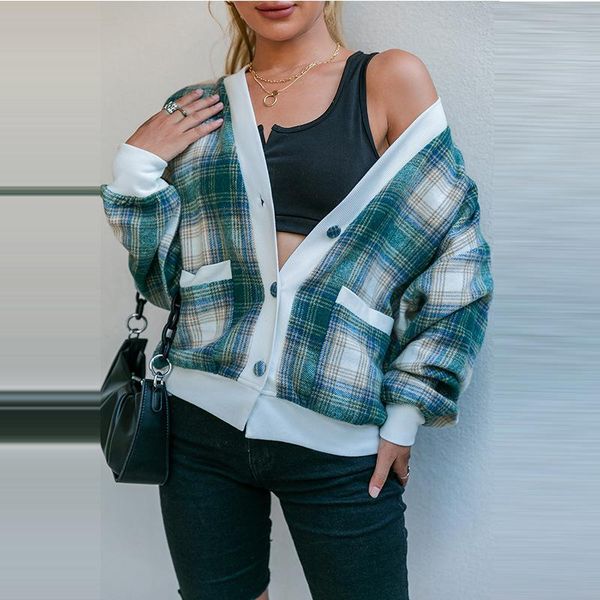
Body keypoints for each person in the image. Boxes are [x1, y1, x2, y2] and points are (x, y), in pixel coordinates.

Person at [101, 2, 494, 599]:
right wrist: (135, 171)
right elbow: (167, 285)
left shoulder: (388, 79)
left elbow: (456, 256)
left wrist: (407, 412)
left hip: (338, 431)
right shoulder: (198, 108)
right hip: (198, 424)